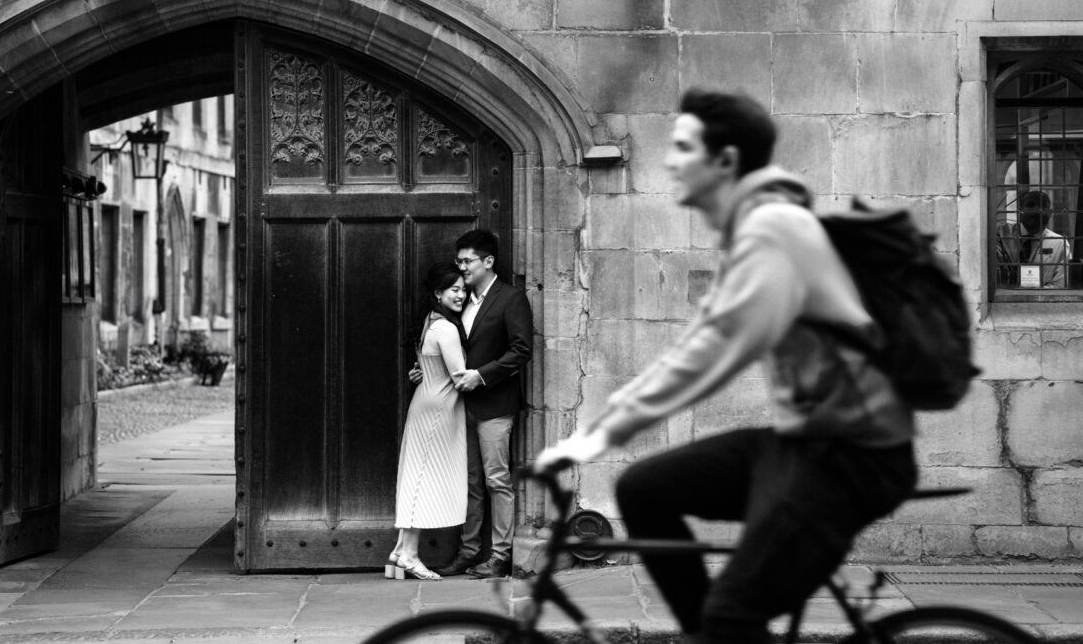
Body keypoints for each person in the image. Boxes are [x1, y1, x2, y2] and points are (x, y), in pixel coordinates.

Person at [535, 89, 918, 644]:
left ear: (726, 162)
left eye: (684, 147)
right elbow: (704, 341)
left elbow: (714, 351)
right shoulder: (750, 230)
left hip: (853, 455)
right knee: (644, 489)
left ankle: (723, 630)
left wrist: (597, 434)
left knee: (733, 615)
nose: (669, 160)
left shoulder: (774, 231)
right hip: (802, 440)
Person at [430, 229, 534, 579]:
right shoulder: (462, 298)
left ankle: (501, 555)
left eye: (467, 261)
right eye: (459, 261)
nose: (461, 268)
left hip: (495, 405)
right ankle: (470, 551)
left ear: (488, 262)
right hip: (463, 405)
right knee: (471, 481)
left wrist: (482, 375)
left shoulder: (510, 298)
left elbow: (521, 350)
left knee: (496, 480)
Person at [388, 263, 469, 581]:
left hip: (425, 402)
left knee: (416, 475)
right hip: (438, 409)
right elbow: (460, 375)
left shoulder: (431, 323)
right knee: (423, 479)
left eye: (463, 289)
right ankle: (409, 555)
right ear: (438, 293)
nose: (461, 294)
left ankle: (399, 550)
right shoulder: (446, 329)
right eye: (454, 290)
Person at [996, 189, 1069, 288]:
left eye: (1043, 206)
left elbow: (1060, 284)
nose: (1036, 211)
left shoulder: (1059, 243)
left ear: (1050, 212)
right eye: (1030, 206)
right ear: (1020, 210)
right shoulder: (1001, 234)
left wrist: (1035, 293)